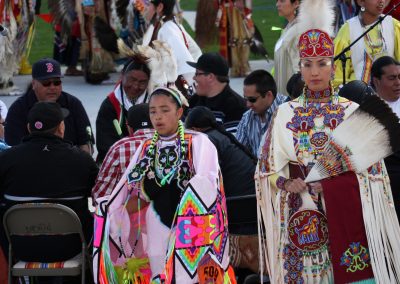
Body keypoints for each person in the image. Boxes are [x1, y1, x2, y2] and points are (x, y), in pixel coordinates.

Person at [256, 1, 400, 281]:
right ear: (300, 67)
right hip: (300, 216)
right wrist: (287, 182)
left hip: (344, 218)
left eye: (322, 64)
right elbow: (266, 169)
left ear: (333, 67)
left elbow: (374, 174)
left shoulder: (350, 111)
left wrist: (332, 186)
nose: (315, 71)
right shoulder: (285, 113)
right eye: (307, 64)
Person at [93, 87, 234, 283]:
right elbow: (127, 188)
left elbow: (207, 184)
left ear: (179, 112)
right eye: (153, 111)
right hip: (157, 221)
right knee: (159, 268)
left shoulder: (198, 142)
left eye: (165, 110)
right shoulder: (146, 148)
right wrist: (111, 210)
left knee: (190, 274)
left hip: (192, 223)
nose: (158, 117)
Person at [0, 102, 98, 263]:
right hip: (70, 247)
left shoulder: (6, 158)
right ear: (61, 128)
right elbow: (98, 196)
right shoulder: (81, 160)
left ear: (30, 128)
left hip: (20, 248)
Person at [185, 106, 259, 277]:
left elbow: (204, 182)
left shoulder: (207, 141)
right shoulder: (220, 136)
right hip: (251, 202)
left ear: (194, 129)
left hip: (240, 207)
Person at [5, 58, 94, 154]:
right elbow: (14, 149)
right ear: (34, 84)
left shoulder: (73, 104)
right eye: (46, 83)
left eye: (57, 82)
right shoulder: (18, 109)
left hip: (68, 163)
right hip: (31, 164)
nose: (52, 87)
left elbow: (86, 144)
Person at [93, 103, 154, 201]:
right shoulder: (175, 142)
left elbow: (102, 193)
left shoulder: (119, 147)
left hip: (128, 213)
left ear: (128, 127)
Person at [96, 56, 151, 162]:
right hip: (118, 162)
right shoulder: (110, 105)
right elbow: (105, 145)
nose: (135, 86)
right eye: (132, 79)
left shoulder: (154, 104)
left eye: (142, 82)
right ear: (122, 75)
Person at [334, 0, 400, 87]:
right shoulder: (348, 29)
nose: (381, 1)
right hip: (357, 97)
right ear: (360, 2)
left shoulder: (394, 26)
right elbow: (337, 76)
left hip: (390, 96)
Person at [143, 0, 201, 94]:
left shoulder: (167, 30)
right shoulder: (169, 25)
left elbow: (185, 63)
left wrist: (194, 91)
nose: (146, 8)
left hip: (175, 92)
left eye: (149, 4)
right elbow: (195, 51)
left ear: (160, 7)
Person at [188, 52, 247, 133]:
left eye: (197, 74)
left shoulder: (237, 107)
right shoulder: (193, 101)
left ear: (210, 77)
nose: (194, 78)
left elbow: (231, 142)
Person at [371, 55, 400, 217]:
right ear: (376, 81)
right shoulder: (367, 110)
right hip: (384, 184)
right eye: (392, 78)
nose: (398, 82)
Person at [236, 70, 287, 157]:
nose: (248, 104)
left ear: (268, 95)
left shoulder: (288, 112)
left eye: (252, 100)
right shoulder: (247, 118)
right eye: (246, 99)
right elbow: (238, 153)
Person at [274, 0, 301, 96]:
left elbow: (299, 68)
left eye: (282, 1)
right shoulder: (288, 28)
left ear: (296, 3)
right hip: (282, 92)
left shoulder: (299, 30)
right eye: (277, 1)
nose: (277, 4)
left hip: (292, 96)